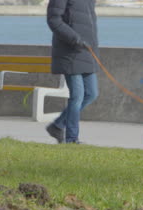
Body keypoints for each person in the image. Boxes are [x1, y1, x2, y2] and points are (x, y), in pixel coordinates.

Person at [45, 0, 99, 144]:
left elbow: (89, 25)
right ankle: (72, 139)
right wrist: (75, 39)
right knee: (77, 96)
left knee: (91, 94)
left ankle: (57, 125)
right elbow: (53, 20)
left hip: (86, 51)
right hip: (69, 51)